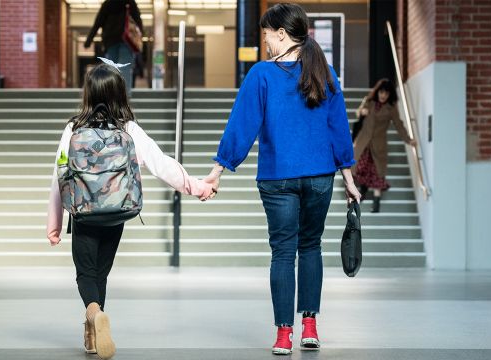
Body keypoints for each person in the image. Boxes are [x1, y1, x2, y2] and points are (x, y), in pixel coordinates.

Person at [202, 3, 361, 355]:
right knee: (310, 248)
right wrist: (348, 177)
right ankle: (310, 327)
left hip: (277, 178)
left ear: (281, 33)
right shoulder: (324, 70)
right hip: (320, 175)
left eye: (266, 34)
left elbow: (241, 126)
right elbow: (339, 128)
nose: (265, 42)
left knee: (283, 253)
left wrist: (217, 173)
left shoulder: (261, 75)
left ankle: (283, 334)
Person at [46, 60, 214, 360]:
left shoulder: (73, 128)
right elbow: (162, 165)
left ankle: (94, 314)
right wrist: (197, 187)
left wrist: (54, 222)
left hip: (83, 212)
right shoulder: (129, 129)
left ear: (88, 93)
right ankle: (93, 330)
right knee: (102, 273)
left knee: (85, 272)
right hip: (117, 211)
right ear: (119, 94)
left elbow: (58, 174)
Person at [352, 78, 417, 213]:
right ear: (378, 92)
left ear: (390, 95)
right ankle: (362, 190)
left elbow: (399, 125)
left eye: (386, 93)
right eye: (381, 92)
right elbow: (358, 113)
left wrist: (408, 140)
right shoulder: (369, 102)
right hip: (364, 142)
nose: (383, 95)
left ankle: (376, 205)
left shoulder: (391, 109)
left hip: (378, 145)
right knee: (360, 167)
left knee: (376, 172)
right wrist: (362, 112)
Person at [84, 0, 143, 95]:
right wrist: (139, 37)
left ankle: (109, 93)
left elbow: (98, 22)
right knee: (125, 67)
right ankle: (125, 94)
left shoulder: (108, 3)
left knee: (110, 68)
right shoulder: (129, 2)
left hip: (110, 41)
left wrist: (89, 40)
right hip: (126, 40)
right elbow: (138, 20)